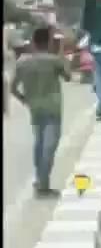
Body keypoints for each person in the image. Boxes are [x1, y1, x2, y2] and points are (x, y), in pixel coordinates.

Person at [10, 25, 71, 196]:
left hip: (35, 108)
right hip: (53, 108)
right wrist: (60, 51)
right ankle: (43, 185)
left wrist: (25, 100)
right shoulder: (53, 60)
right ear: (50, 42)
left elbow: (13, 88)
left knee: (39, 144)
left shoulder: (22, 61)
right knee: (49, 146)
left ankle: (39, 180)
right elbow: (68, 76)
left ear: (34, 42)